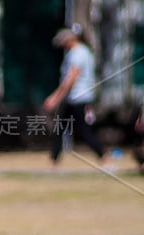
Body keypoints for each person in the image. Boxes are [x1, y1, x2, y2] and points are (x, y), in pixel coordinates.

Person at [43, 28, 105, 166]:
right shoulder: (82, 52)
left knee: (83, 130)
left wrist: (55, 97)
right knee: (60, 127)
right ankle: (54, 160)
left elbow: (71, 78)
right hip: (73, 98)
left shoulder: (77, 53)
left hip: (79, 98)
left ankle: (102, 155)